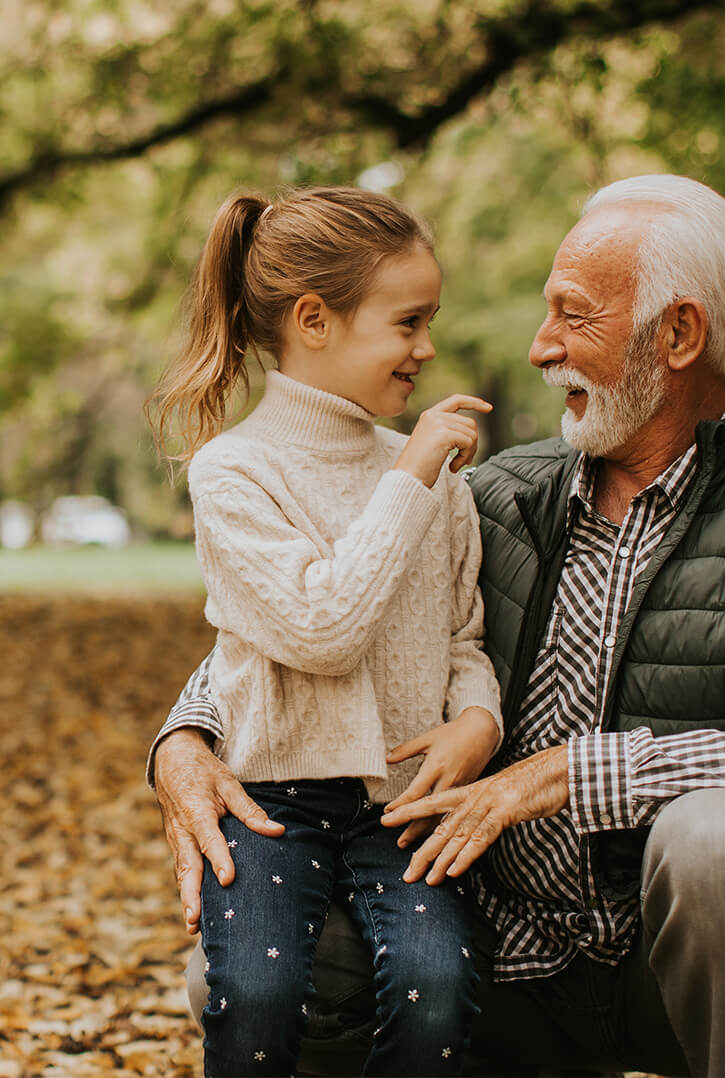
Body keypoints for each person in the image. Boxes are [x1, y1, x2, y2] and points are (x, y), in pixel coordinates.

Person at [149, 175, 725, 1078]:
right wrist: (185, 739)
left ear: (678, 334)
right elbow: (309, 615)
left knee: (717, 841)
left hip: (681, 971)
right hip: (501, 948)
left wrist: (582, 774)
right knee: (237, 977)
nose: (538, 346)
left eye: (573, 315)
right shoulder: (496, 494)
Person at [146, 186, 503, 1077]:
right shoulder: (234, 473)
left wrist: (479, 720)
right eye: (407, 322)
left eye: (430, 322)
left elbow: (463, 638)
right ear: (314, 319)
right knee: (259, 1001)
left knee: (439, 992)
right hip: (273, 803)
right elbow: (323, 628)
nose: (425, 348)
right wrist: (412, 473)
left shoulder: (436, 480)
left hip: (405, 806)